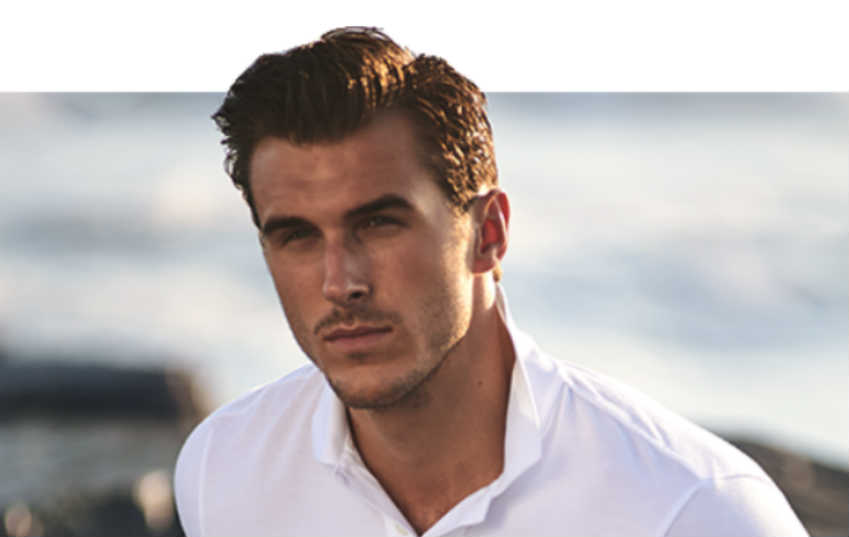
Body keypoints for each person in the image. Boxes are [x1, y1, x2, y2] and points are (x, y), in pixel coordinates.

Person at [174, 27, 807, 537]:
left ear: (489, 233)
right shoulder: (225, 471)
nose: (341, 283)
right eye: (298, 237)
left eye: (380, 223)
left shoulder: (693, 509)